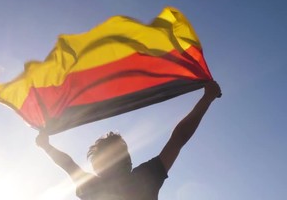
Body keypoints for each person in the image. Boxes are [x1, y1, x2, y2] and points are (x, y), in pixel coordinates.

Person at [36, 81, 221, 200]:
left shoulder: (93, 186)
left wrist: (46, 147)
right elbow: (178, 139)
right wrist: (207, 98)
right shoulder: (145, 177)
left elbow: (69, 165)